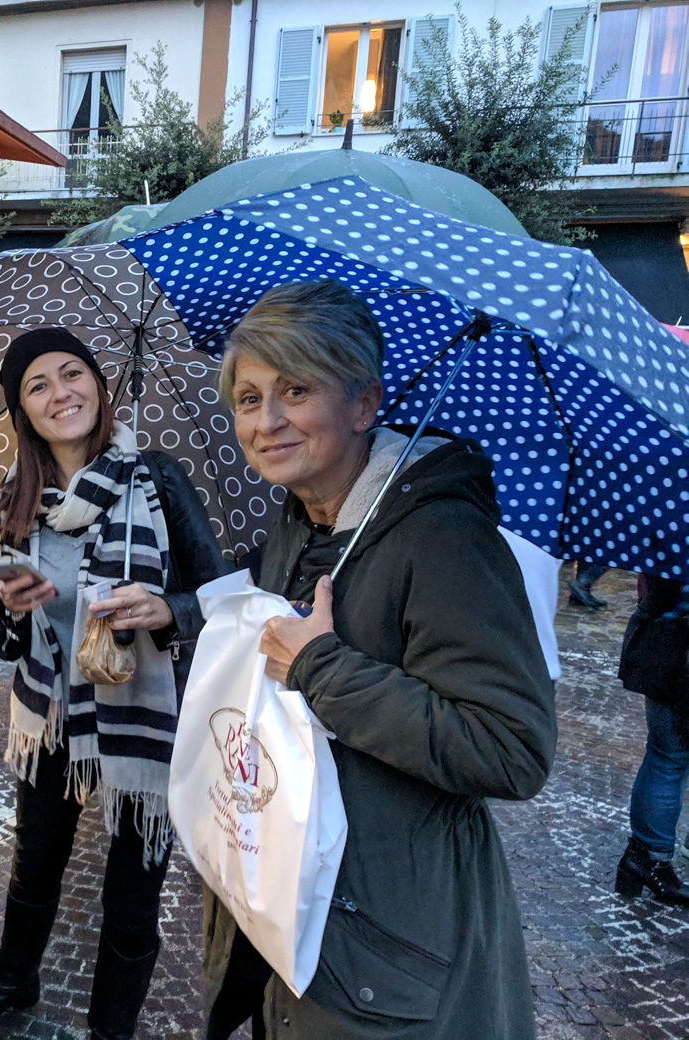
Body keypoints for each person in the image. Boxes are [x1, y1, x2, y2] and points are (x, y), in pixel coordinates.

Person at [203, 279, 557, 1039]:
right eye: (247, 396)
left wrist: (323, 668)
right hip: (291, 898)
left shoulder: (445, 540)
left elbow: (510, 748)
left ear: (363, 405)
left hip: (389, 940)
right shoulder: (296, 519)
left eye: (294, 391)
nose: (264, 422)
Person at [0, 328, 221, 1040]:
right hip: (51, 716)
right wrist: (4, 613)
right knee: (33, 862)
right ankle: (13, 981)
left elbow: (222, 596)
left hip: (145, 719)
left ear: (99, 387)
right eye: (37, 385)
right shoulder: (12, 501)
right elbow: (2, 644)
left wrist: (169, 609)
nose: (59, 392)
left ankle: (111, 1028)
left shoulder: (156, 479)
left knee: (132, 894)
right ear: (23, 413)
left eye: (72, 374)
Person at [614, 574, 689, 905]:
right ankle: (649, 859)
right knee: (668, 758)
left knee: (666, 758)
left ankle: (644, 858)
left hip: (665, 640)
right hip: (674, 651)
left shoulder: (672, 525)